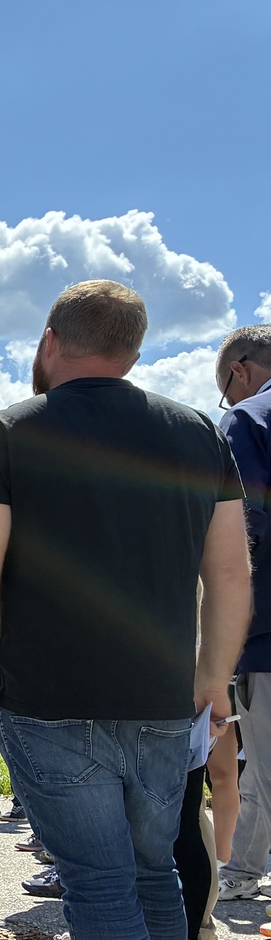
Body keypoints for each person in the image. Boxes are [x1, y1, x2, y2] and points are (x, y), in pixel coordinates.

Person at [0, 279, 249, 940]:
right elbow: (230, 572)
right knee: (153, 879)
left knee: (103, 887)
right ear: (136, 349)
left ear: (51, 339)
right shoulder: (196, 432)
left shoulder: (8, 431)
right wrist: (213, 676)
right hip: (162, 697)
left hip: (51, 698)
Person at [214, 324, 271, 901]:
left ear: (241, 370)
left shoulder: (248, 419)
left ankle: (243, 873)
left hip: (267, 635)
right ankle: (245, 868)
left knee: (267, 768)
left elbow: (243, 529)